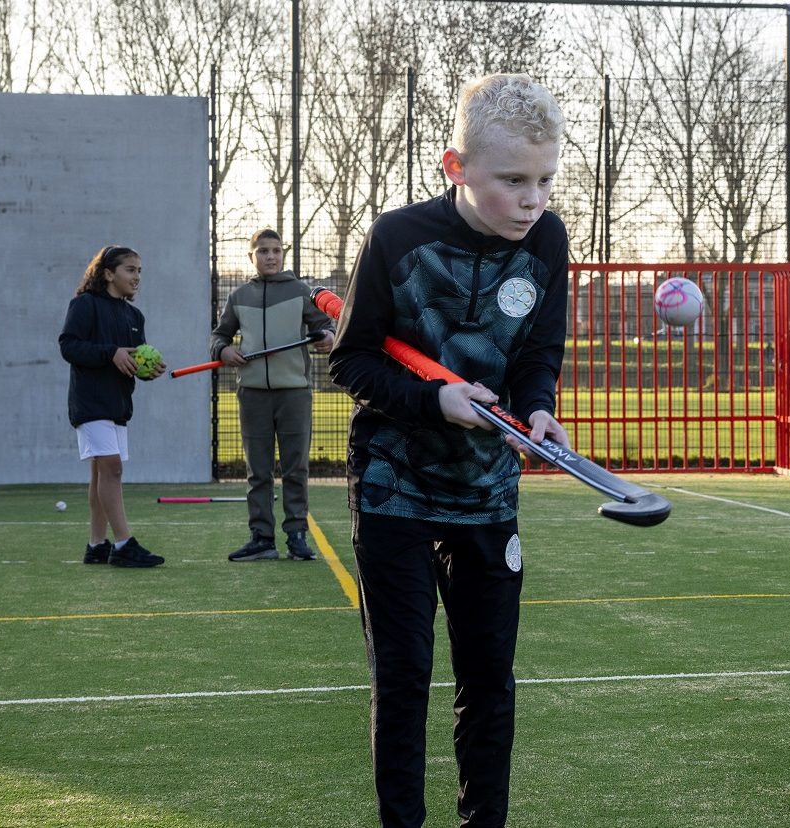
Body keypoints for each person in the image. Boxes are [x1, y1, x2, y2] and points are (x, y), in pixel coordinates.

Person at [327, 73, 570, 828]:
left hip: (486, 490)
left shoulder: (548, 239)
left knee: (488, 677)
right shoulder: (397, 236)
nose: (532, 200)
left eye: (545, 180)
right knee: (403, 676)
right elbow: (352, 360)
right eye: (512, 181)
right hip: (392, 485)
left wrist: (537, 407)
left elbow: (538, 350)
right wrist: (435, 399)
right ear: (454, 167)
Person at [209, 228, 334, 562]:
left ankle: (296, 535)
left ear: (283, 254)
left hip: (294, 393)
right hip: (252, 394)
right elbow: (218, 336)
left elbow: (327, 328)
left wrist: (327, 339)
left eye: (276, 250)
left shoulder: (300, 292)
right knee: (258, 471)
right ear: (252, 256)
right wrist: (223, 352)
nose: (270, 256)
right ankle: (261, 537)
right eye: (263, 251)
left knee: (295, 469)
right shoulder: (238, 297)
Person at [58, 245, 168, 568]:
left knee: (100, 472)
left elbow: (129, 359)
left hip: (118, 404)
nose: (137, 277)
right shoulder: (85, 304)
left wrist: (147, 371)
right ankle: (123, 545)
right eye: (129, 270)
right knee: (112, 467)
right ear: (108, 273)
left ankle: (96, 545)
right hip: (90, 402)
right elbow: (69, 345)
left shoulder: (135, 316)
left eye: (139, 271)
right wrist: (111, 353)